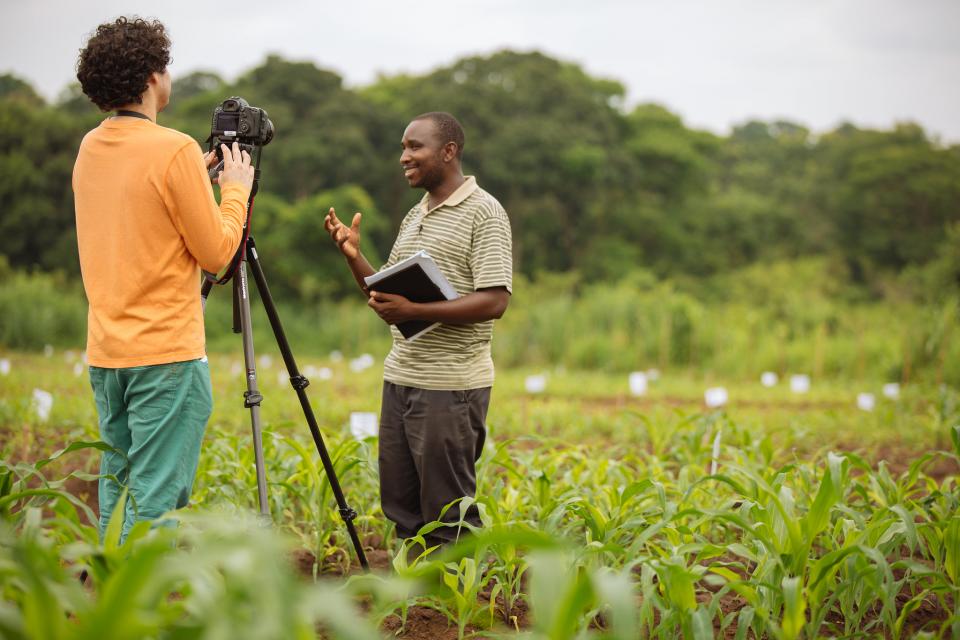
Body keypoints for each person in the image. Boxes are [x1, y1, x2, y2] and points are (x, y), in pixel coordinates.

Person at [72, 17, 254, 541]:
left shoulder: (91, 147)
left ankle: (111, 604)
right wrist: (233, 190)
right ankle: (137, 614)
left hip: (108, 354)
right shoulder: (170, 149)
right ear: (153, 78)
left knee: (121, 488)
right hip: (165, 357)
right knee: (155, 504)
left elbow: (137, 208)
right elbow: (218, 254)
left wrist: (192, 176)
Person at [324, 112, 513, 549]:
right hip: (401, 378)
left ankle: (454, 609)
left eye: (415, 147)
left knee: (448, 514)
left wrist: (416, 307)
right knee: (401, 505)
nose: (403, 157)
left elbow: (495, 300)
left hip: (450, 386)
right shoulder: (416, 215)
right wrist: (354, 256)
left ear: (448, 152)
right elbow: (388, 299)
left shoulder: (484, 212)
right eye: (403, 147)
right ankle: (416, 603)